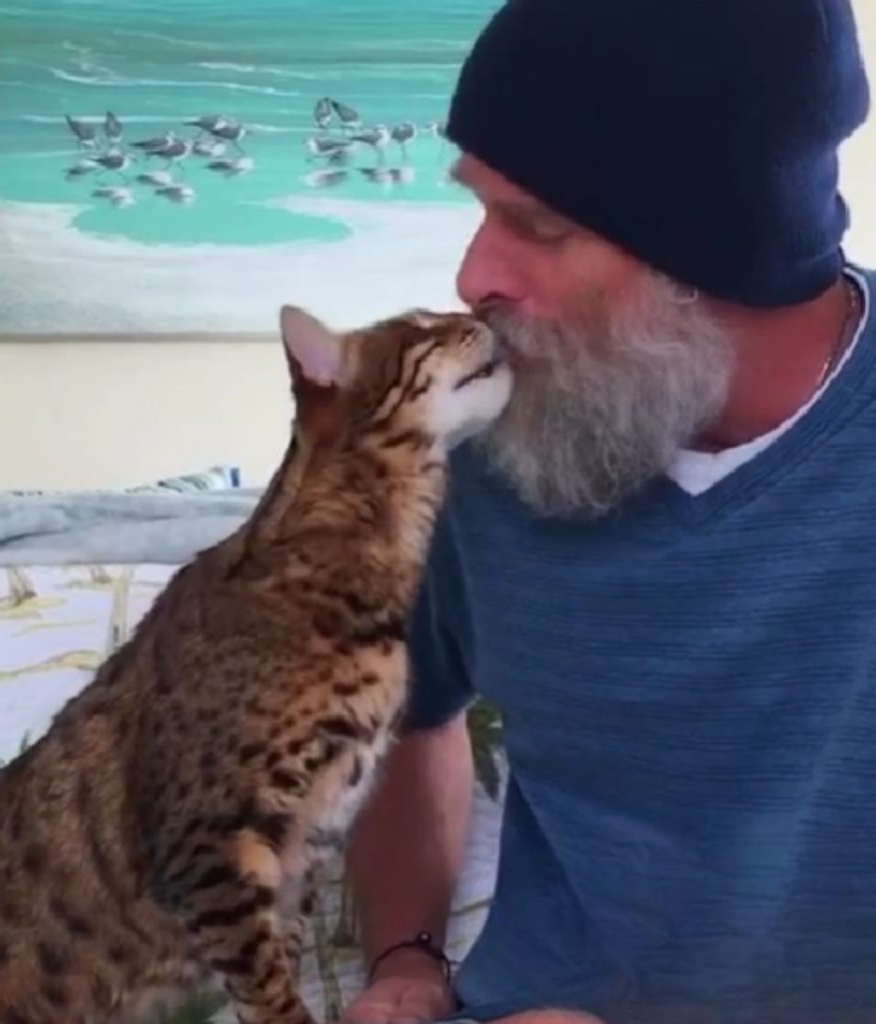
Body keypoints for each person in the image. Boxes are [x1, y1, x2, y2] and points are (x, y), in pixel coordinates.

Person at [341, 1, 875, 1023]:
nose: (472, 277)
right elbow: (397, 706)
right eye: (481, 208)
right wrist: (405, 960)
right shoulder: (464, 443)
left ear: (715, 249)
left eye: (538, 227)